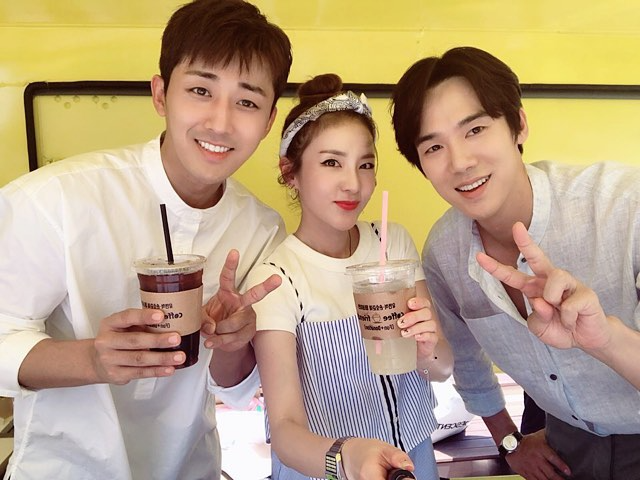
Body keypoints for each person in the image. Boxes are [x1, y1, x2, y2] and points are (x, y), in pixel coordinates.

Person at [0, 1, 292, 478]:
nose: (220, 122)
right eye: (200, 90)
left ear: (269, 119)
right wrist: (92, 359)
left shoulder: (261, 229)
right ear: (160, 95)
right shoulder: (57, 198)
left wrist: (232, 342)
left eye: (247, 102)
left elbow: (235, 390)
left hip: (189, 467)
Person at [390, 46, 640, 480]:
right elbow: (465, 360)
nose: (460, 162)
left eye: (475, 129)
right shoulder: (445, 253)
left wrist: (605, 340)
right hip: (565, 445)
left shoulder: (623, 207)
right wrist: (508, 440)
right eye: (434, 147)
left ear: (518, 125)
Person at [246, 73, 453, 480]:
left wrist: (428, 349)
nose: (353, 183)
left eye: (366, 164)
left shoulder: (392, 242)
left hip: (412, 458)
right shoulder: (276, 279)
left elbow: (442, 369)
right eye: (331, 163)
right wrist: (345, 458)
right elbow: (285, 431)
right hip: (326, 468)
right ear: (290, 171)